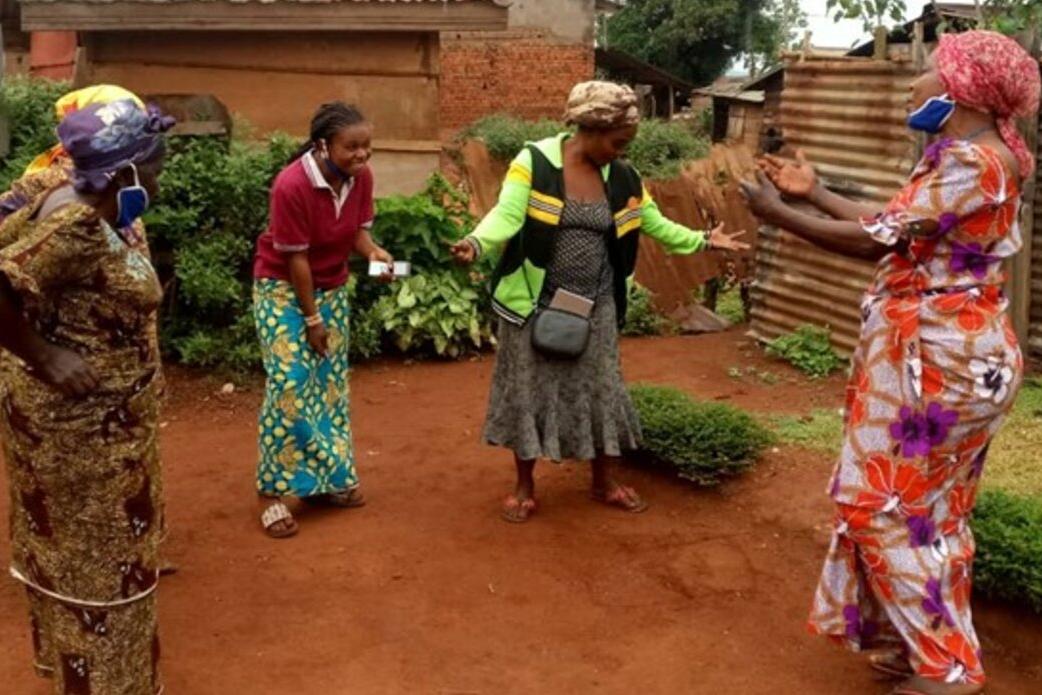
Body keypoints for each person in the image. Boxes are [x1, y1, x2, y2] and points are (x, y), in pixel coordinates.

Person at [741, 30, 1039, 695]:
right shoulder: (982, 156)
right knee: (930, 511)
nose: (915, 82)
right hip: (951, 353)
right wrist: (812, 193)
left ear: (958, 90)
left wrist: (777, 215)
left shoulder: (972, 160)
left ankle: (947, 669)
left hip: (937, 358)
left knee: (881, 503)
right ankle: (927, 644)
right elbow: (895, 226)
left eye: (928, 71)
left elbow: (874, 243)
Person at [450, 81, 748, 523]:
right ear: (589, 128)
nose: (621, 152)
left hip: (598, 303)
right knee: (529, 389)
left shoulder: (622, 177)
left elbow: (654, 223)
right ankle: (525, 484)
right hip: (535, 300)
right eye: (617, 143)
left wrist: (704, 239)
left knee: (602, 388)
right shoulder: (534, 163)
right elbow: (508, 214)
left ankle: (603, 481)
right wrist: (477, 242)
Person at [0, 98, 174, 694]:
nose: (159, 176)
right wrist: (45, 357)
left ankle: (83, 679)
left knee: (78, 563)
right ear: (124, 173)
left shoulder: (82, 210)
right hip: (80, 442)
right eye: (153, 165)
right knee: (101, 578)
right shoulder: (73, 225)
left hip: (82, 433)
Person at [252, 102, 394, 539]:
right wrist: (312, 319)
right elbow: (295, 259)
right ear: (323, 145)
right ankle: (271, 493)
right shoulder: (290, 185)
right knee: (290, 385)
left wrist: (373, 253)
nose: (361, 155)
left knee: (329, 389)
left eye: (366, 147)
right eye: (351, 147)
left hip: (332, 288)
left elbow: (356, 233)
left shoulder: (359, 179)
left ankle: (323, 483)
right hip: (282, 291)